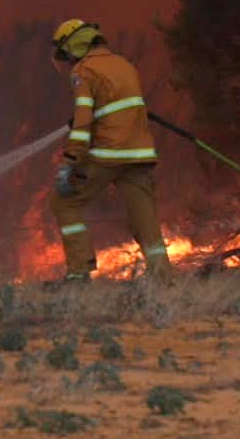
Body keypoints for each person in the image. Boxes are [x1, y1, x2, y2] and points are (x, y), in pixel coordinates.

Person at [48, 19, 169, 283]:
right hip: (140, 154)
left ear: (74, 45)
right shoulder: (124, 64)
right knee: (144, 218)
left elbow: (82, 124)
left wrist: (70, 161)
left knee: (64, 201)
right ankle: (163, 277)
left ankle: (78, 274)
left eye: (66, 54)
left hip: (109, 155)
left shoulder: (84, 70)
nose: (67, 60)